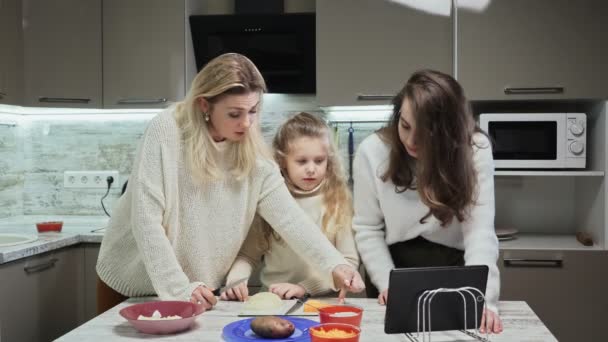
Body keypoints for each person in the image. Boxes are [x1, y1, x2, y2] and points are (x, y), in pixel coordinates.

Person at [95, 53, 364, 314]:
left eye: (253, 111)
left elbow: (291, 219)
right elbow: (146, 221)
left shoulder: (254, 154)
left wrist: (335, 265)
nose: (246, 123)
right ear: (204, 105)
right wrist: (179, 289)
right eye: (235, 114)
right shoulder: (167, 131)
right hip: (133, 282)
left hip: (196, 290)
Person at [353, 69, 502, 334]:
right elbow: (367, 229)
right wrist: (389, 284)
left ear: (449, 133)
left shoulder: (474, 149)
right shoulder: (372, 151)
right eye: (405, 125)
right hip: (392, 269)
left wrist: (484, 299)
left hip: (456, 270)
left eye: (425, 134)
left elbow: (479, 232)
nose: (411, 141)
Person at [221, 112, 359, 302]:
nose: (311, 168)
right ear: (282, 161)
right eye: (302, 161)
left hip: (321, 301)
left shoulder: (337, 200)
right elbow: (247, 256)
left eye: (319, 161)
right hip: (273, 300)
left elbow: (348, 263)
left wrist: (304, 288)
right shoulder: (269, 200)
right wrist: (236, 280)